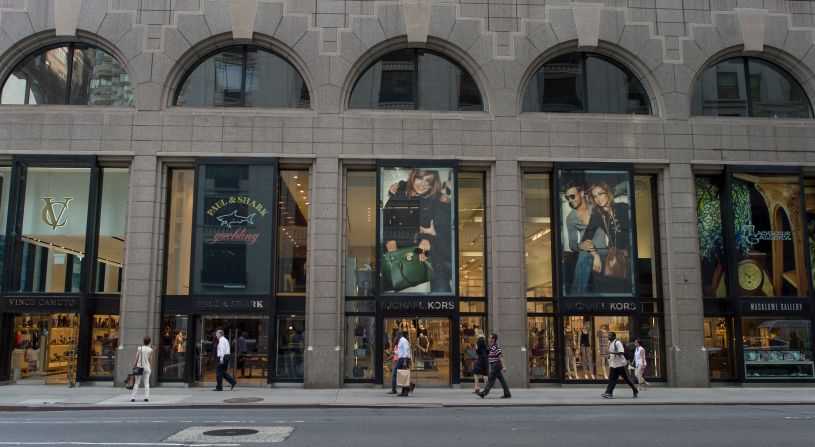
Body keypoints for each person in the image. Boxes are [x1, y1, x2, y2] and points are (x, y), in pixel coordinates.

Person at [383, 169, 453, 293]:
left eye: (428, 181)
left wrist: (427, 238)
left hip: (430, 259)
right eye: (420, 178)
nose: (423, 184)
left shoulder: (433, 201)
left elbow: (443, 233)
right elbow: (384, 220)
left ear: (433, 184)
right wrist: (388, 238)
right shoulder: (399, 191)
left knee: (440, 295)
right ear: (413, 177)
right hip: (402, 257)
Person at [581, 181, 632, 294]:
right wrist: (595, 256)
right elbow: (584, 240)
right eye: (595, 196)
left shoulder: (623, 207)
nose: (598, 199)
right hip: (615, 259)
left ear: (608, 193)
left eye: (601, 193)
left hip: (632, 256)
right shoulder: (597, 215)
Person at [563, 180, 607, 295]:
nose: (571, 200)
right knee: (584, 254)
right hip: (587, 253)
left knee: (584, 256)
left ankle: (577, 296)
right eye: (568, 198)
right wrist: (580, 246)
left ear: (582, 193)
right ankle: (579, 296)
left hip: (603, 251)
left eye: (572, 196)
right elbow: (572, 245)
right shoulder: (571, 218)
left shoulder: (596, 204)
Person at [602, 331, 638, 399]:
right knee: (612, 379)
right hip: (613, 365)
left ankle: (635, 390)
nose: (608, 337)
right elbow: (611, 352)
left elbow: (621, 352)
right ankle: (609, 393)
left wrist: (611, 353)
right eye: (608, 335)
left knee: (627, 379)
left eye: (610, 335)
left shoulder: (617, 343)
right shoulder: (610, 343)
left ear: (614, 336)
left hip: (621, 365)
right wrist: (609, 356)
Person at [477, 333, 511, 399]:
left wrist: (504, 366)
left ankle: (484, 393)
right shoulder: (492, 346)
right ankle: (507, 393)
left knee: (491, 380)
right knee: (502, 380)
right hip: (494, 365)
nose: (488, 338)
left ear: (493, 339)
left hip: (496, 365)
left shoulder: (496, 346)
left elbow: (500, 357)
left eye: (490, 338)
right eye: (489, 337)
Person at [389, 331, 414, 396]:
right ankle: (404, 391)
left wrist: (405, 361)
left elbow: (406, 351)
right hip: (401, 359)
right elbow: (400, 351)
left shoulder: (403, 341)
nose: (396, 336)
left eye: (396, 335)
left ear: (400, 334)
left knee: (399, 374)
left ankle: (408, 387)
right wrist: (394, 352)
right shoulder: (400, 341)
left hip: (403, 359)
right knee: (401, 375)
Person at [131, 336, 153, 403]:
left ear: (143, 341)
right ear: (149, 342)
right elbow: (150, 360)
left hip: (139, 367)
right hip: (147, 367)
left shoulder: (139, 348)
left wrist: (134, 365)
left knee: (137, 383)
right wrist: (150, 367)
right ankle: (146, 397)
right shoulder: (151, 350)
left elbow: (136, 358)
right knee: (146, 382)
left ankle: (133, 397)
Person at [472, 328, 489, 394]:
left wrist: (476, 348)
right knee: (482, 372)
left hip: (482, 357)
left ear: (478, 332)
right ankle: (481, 387)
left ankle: (479, 387)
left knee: (477, 372)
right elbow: (486, 350)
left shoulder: (480, 340)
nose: (475, 333)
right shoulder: (483, 339)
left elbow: (479, 351)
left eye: (475, 332)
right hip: (484, 357)